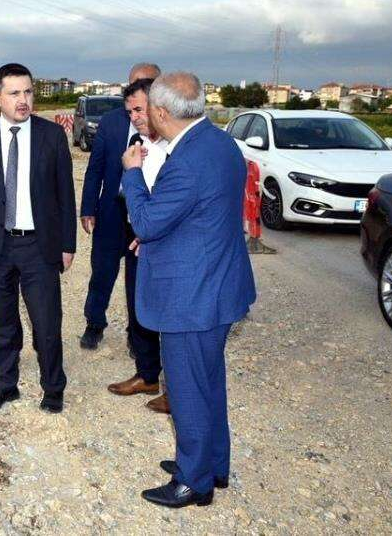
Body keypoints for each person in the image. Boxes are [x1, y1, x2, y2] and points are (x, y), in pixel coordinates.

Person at [120, 72, 256, 508]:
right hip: (218, 285)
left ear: (161, 113)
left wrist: (132, 174)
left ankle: (193, 482)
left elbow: (145, 221)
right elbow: (199, 215)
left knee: (187, 390)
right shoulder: (219, 143)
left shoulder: (187, 161)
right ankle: (212, 464)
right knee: (208, 381)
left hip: (192, 296)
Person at [0, 62, 77, 414]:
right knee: (3, 323)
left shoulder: (51, 136)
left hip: (39, 246)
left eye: (28, 92)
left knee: (46, 323)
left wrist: (67, 244)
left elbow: (65, 195)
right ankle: (5, 386)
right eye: (14, 93)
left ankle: (53, 387)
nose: (23, 100)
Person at [79, 63, 160, 351]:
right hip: (112, 211)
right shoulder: (111, 121)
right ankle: (94, 323)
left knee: (139, 280)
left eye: (146, 84)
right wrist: (88, 207)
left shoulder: (167, 127)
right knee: (102, 272)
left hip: (147, 217)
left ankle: (137, 334)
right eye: (133, 84)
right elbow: (95, 167)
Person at [106, 77, 171, 412]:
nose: (135, 117)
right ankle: (147, 374)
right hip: (137, 238)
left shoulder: (177, 149)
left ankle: (177, 389)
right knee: (138, 308)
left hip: (167, 243)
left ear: (159, 106)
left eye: (139, 109)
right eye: (130, 111)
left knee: (171, 316)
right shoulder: (136, 143)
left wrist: (153, 234)